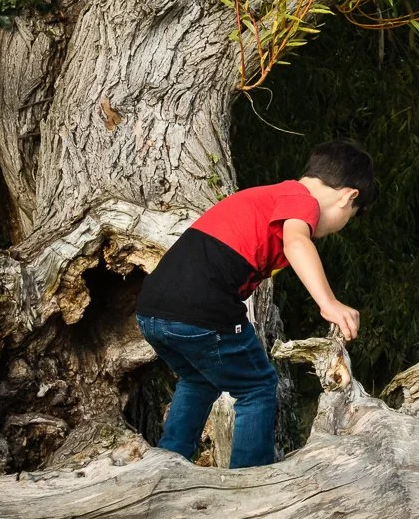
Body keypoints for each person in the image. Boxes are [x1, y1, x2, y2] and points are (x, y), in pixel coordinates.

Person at [135, 139, 373, 468]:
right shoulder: (301, 199)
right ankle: (250, 481)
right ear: (349, 197)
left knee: (199, 379)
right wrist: (328, 302)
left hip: (152, 311)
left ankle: (168, 466)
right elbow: (296, 242)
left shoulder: (271, 196)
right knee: (258, 386)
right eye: (350, 218)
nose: (335, 229)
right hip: (201, 308)